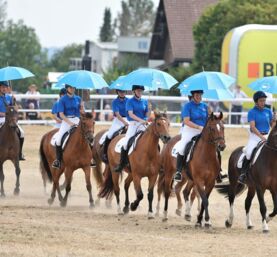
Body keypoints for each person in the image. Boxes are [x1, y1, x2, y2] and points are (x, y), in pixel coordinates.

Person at [238, 91, 275, 184]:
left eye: (264, 100)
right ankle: (243, 174)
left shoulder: (268, 111)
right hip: (255, 136)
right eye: (261, 101)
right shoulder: (252, 112)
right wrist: (261, 137)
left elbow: (272, 125)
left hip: (267, 135)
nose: (263, 102)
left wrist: (275, 120)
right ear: (256, 102)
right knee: (249, 153)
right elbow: (253, 127)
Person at [174, 90, 208, 182]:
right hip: (190, 130)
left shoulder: (205, 106)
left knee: (214, 146)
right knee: (182, 148)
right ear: (193, 96)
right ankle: (179, 171)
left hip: (203, 131)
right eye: (197, 95)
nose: (199, 97)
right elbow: (186, 121)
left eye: (200, 95)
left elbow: (209, 119)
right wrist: (198, 127)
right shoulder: (187, 106)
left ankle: (218, 172)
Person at [114, 85, 150, 172]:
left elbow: (147, 115)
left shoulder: (145, 101)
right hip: (133, 124)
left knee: (152, 139)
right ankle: (122, 163)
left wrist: (149, 110)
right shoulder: (129, 101)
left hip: (143, 124)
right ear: (134, 91)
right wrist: (141, 120)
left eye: (141, 91)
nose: (140, 92)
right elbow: (130, 114)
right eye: (138, 91)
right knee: (126, 143)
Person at [52, 84, 84, 169]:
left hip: (77, 119)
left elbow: (82, 112)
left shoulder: (78, 98)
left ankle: (90, 158)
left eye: (74, 87)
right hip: (66, 121)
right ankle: (58, 160)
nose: (72, 89)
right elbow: (61, 115)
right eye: (70, 87)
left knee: (88, 136)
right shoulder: (62, 100)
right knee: (58, 140)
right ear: (67, 89)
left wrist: (82, 109)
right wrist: (70, 123)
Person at [0, 81, 25, 160]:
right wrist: (3, 114)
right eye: (3, 87)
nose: (4, 89)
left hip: (9, 119)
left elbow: (15, 108)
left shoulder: (9, 97)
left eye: (6, 87)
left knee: (21, 133)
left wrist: (14, 102)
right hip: (0, 118)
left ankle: (20, 153)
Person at [102, 89, 129, 162]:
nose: (122, 93)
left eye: (123, 91)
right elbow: (117, 114)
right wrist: (124, 122)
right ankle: (105, 153)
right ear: (117, 92)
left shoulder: (129, 100)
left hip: (128, 119)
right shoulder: (115, 102)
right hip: (118, 120)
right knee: (110, 134)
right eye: (120, 92)